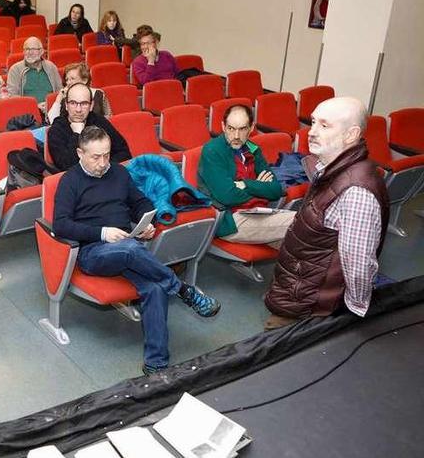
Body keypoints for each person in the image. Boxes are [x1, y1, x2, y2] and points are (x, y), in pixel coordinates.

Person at [53, 126, 220, 375]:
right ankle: (183, 289)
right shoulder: (70, 181)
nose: (102, 163)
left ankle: (156, 363)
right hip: (92, 253)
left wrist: (147, 222)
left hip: (127, 247)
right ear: (80, 153)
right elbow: (60, 224)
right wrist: (102, 233)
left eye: (106, 155)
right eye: (95, 157)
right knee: (131, 249)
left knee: (154, 287)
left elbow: (140, 202)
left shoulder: (119, 173)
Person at [263, 97, 389, 330]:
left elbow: (358, 264)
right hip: (301, 293)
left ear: (351, 135)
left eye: (324, 125)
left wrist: (351, 312)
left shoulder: (355, 192)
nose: (311, 132)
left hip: (311, 310)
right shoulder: (328, 169)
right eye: (312, 122)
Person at [197, 104, 293, 246]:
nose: (236, 136)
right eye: (231, 129)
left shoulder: (253, 149)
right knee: (301, 222)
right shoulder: (213, 151)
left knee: (303, 247)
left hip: (259, 214)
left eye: (242, 129)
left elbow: (276, 190)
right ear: (223, 127)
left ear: (251, 128)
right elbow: (227, 196)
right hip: (231, 221)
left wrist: (245, 184)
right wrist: (260, 187)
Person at [48, 83, 128, 171]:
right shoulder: (57, 129)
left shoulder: (99, 121)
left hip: (105, 174)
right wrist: (76, 134)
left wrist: (103, 167)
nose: (78, 110)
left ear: (91, 105)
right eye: (73, 103)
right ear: (66, 105)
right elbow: (67, 166)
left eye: (84, 103)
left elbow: (124, 152)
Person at [46, 62, 111, 123]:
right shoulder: (65, 97)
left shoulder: (99, 94)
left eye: (72, 79)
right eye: (67, 79)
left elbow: (109, 117)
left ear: (84, 80)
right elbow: (52, 121)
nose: (68, 82)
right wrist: (58, 99)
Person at [6, 36, 61, 106]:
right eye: (27, 49)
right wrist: (34, 106)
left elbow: (59, 91)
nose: (30, 52)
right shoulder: (15, 69)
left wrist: (50, 104)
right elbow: (12, 96)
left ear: (41, 51)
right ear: (23, 51)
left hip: (51, 109)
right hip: (27, 110)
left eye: (33, 49)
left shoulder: (51, 67)